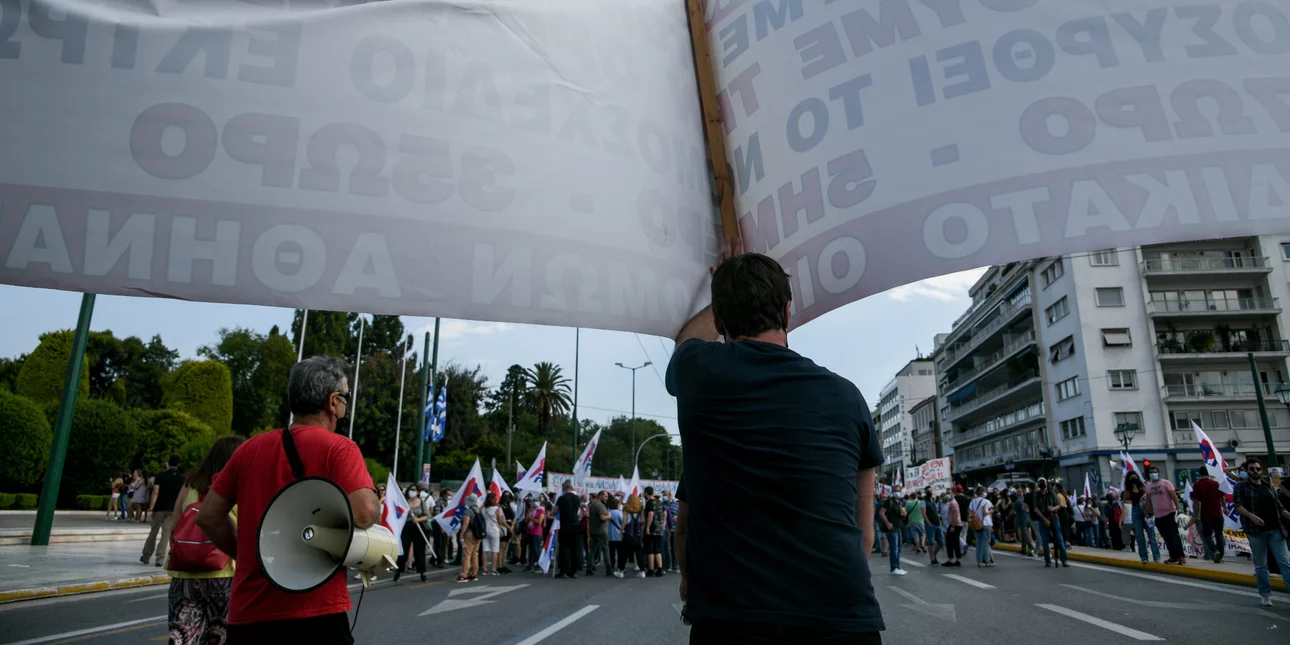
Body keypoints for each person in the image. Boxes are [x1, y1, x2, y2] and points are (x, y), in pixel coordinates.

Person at [667, 248, 886, 643]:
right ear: (787, 313)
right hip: (841, 619)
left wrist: (720, 290)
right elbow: (863, 533)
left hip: (731, 620)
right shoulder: (848, 397)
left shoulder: (697, 372)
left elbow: (686, 339)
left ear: (717, 319)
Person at [195, 356, 378, 644]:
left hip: (249, 613)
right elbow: (365, 512)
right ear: (333, 402)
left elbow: (207, 516)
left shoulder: (248, 449)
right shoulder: (340, 449)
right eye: (346, 397)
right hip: (314, 611)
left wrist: (255, 553)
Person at [165, 436, 244, 645]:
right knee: (218, 636)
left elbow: (174, 527)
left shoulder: (188, 486)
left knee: (181, 636)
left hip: (184, 575)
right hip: (224, 573)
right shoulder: (239, 487)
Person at [1233, 457, 1290, 607]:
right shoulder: (1241, 487)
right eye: (1252, 469)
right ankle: (1265, 595)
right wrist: (1251, 516)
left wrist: (1286, 514)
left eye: (1258, 469)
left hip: (1276, 529)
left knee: (1285, 562)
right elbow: (1238, 505)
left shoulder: (1268, 486)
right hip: (1256, 532)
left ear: (1261, 470)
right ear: (1247, 471)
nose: (1255, 471)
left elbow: (1279, 506)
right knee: (1261, 565)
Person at [141, 455, 186, 567]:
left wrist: (151, 508)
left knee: (153, 532)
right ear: (178, 464)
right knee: (166, 534)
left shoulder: (161, 475)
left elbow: (155, 492)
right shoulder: (182, 477)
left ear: (168, 463)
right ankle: (160, 558)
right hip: (172, 509)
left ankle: (146, 555)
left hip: (159, 508)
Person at [1145, 466, 1186, 565]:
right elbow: (1148, 500)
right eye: (1151, 472)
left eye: (1154, 472)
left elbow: (1174, 497)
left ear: (1158, 472)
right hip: (1158, 515)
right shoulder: (1149, 486)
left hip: (1169, 513)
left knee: (1174, 535)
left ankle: (1180, 556)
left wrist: (1178, 508)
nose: (1153, 474)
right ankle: (1173, 556)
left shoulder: (1166, 483)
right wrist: (1147, 512)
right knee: (1166, 537)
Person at [394, 488, 429, 583]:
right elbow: (398, 514)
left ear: (417, 492)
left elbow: (427, 516)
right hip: (407, 527)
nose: (412, 492)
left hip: (419, 527)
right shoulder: (405, 502)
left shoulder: (421, 502)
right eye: (411, 489)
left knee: (419, 551)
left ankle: (422, 573)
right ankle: (398, 572)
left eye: (414, 490)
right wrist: (406, 512)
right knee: (403, 550)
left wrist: (418, 519)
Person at [1190, 471, 1226, 563]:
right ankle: (1220, 555)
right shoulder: (1215, 483)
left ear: (1200, 474)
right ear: (1208, 474)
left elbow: (1196, 501)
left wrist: (1196, 514)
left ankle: (1214, 550)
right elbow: (1222, 498)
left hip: (1205, 515)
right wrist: (1225, 508)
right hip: (1218, 514)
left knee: (1207, 535)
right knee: (1219, 534)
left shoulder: (1196, 486)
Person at [1033, 478, 1068, 567]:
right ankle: (1047, 560)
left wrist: (1053, 509)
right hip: (1042, 519)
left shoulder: (1051, 493)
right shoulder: (1037, 495)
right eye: (1040, 482)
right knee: (1045, 541)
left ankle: (1064, 559)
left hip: (1053, 517)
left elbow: (1058, 505)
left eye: (1043, 482)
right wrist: (1044, 519)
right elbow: (1036, 508)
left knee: (1059, 539)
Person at [555, 481, 582, 578]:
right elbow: (578, 510)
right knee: (574, 549)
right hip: (575, 525)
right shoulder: (577, 498)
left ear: (564, 488)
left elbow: (555, 510)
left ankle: (564, 571)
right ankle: (574, 571)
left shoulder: (561, 498)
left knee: (564, 549)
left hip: (565, 525)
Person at [456, 494, 482, 582]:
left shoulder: (468, 511)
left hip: (469, 533)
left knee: (467, 554)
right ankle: (473, 573)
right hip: (478, 534)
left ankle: (463, 574)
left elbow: (466, 523)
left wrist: (461, 534)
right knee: (475, 553)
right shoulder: (479, 510)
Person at [620, 493, 646, 578]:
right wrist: (641, 531)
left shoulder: (626, 508)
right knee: (639, 553)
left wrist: (621, 531)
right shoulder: (640, 508)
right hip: (637, 533)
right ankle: (642, 571)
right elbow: (643, 521)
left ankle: (621, 570)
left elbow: (624, 521)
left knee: (624, 553)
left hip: (628, 533)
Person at [880, 491, 906, 575]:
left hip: (898, 527)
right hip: (891, 528)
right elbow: (882, 513)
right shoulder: (889, 501)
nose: (898, 493)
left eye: (899, 491)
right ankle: (894, 567)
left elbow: (900, 514)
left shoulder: (900, 503)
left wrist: (904, 514)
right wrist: (887, 523)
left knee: (898, 548)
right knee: (894, 548)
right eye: (896, 491)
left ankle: (897, 567)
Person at [479, 492, 505, 576]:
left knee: (485, 549)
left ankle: (484, 569)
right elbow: (500, 522)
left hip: (485, 530)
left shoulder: (483, 509)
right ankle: (493, 569)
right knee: (495, 550)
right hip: (494, 530)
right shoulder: (496, 509)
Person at [968, 487, 995, 568]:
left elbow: (970, 513)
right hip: (986, 523)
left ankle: (979, 561)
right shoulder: (986, 501)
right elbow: (985, 513)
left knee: (979, 543)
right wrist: (991, 511)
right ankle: (987, 561)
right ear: (983, 493)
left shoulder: (972, 502)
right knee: (986, 543)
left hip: (976, 524)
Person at [643, 486, 667, 577]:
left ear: (646, 493)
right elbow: (665, 513)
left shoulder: (649, 502)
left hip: (652, 528)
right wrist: (663, 523)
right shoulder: (659, 502)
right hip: (659, 529)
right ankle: (660, 568)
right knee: (658, 549)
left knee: (650, 549)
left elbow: (651, 514)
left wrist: (647, 527)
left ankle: (651, 569)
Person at [587, 491, 611, 577]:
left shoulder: (592, 504)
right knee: (605, 550)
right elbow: (603, 517)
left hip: (594, 531)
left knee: (592, 551)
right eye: (605, 496)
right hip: (601, 531)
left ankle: (589, 568)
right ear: (600, 496)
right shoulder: (600, 505)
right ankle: (609, 569)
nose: (606, 498)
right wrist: (609, 516)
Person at [941, 491, 962, 567]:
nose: (947, 495)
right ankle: (957, 559)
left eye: (949, 493)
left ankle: (951, 559)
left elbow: (955, 514)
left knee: (950, 542)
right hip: (955, 524)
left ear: (953, 494)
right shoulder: (952, 502)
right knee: (955, 542)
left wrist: (953, 526)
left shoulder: (953, 503)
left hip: (955, 525)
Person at [525, 497, 547, 572]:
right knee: (531, 549)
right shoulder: (532, 509)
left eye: (537, 500)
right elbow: (526, 520)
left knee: (536, 549)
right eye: (534, 500)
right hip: (530, 531)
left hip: (537, 532)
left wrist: (531, 518)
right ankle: (530, 565)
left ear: (540, 501)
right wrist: (529, 511)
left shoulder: (541, 510)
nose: (535, 502)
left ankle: (539, 565)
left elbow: (539, 522)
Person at [924, 489, 944, 565]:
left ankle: (934, 554)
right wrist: (928, 523)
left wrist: (940, 521)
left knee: (941, 542)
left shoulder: (934, 500)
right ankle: (932, 558)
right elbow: (924, 513)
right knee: (931, 542)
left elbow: (936, 512)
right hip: (930, 524)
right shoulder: (924, 501)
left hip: (937, 523)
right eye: (929, 491)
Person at [606, 495, 625, 578]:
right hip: (619, 536)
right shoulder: (619, 513)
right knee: (620, 553)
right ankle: (620, 567)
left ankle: (611, 567)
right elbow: (623, 522)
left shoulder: (607, 512)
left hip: (610, 536)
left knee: (611, 553)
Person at [498, 491, 516, 574]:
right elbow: (501, 519)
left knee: (504, 547)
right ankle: (500, 566)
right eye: (505, 496)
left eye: (508, 496)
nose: (507, 498)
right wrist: (509, 527)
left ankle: (502, 565)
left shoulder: (510, 506)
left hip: (509, 528)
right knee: (501, 547)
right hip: (504, 528)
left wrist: (512, 526)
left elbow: (514, 516)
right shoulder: (500, 506)